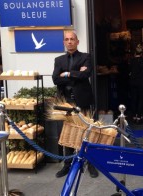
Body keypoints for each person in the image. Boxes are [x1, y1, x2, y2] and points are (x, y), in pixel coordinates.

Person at [52, 30, 99, 178]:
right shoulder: (58, 60)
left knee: (86, 130)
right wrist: (76, 74)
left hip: (83, 99)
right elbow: (55, 79)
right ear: (64, 42)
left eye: (72, 39)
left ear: (77, 41)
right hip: (66, 101)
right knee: (67, 131)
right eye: (67, 39)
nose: (70, 41)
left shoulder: (86, 57)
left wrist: (66, 74)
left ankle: (90, 163)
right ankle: (67, 164)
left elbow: (86, 74)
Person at [128, 44, 143, 124]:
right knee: (140, 99)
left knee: (134, 98)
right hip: (140, 82)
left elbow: (129, 71)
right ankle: (139, 116)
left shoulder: (131, 60)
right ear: (141, 53)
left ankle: (133, 116)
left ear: (135, 53)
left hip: (133, 81)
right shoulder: (142, 60)